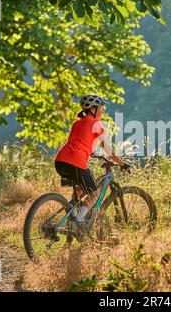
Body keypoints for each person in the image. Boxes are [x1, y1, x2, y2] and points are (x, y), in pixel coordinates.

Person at [54, 94, 128, 225]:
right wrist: (121, 163)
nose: (101, 112)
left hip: (60, 161)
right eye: (100, 109)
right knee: (95, 193)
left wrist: (91, 152)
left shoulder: (77, 122)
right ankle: (77, 220)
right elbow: (107, 148)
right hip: (75, 162)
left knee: (80, 191)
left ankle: (71, 220)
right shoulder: (95, 123)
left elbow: (79, 141)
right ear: (92, 109)